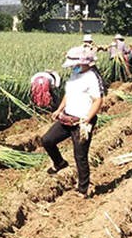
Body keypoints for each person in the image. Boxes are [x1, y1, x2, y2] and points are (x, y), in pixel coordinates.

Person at [42, 46, 103, 199]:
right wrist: (59, 109)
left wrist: (87, 119)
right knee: (47, 140)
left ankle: (83, 189)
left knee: (80, 155)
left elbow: (98, 100)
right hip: (67, 117)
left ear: (83, 62)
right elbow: (68, 94)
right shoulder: (75, 73)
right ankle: (60, 163)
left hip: (82, 121)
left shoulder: (92, 77)